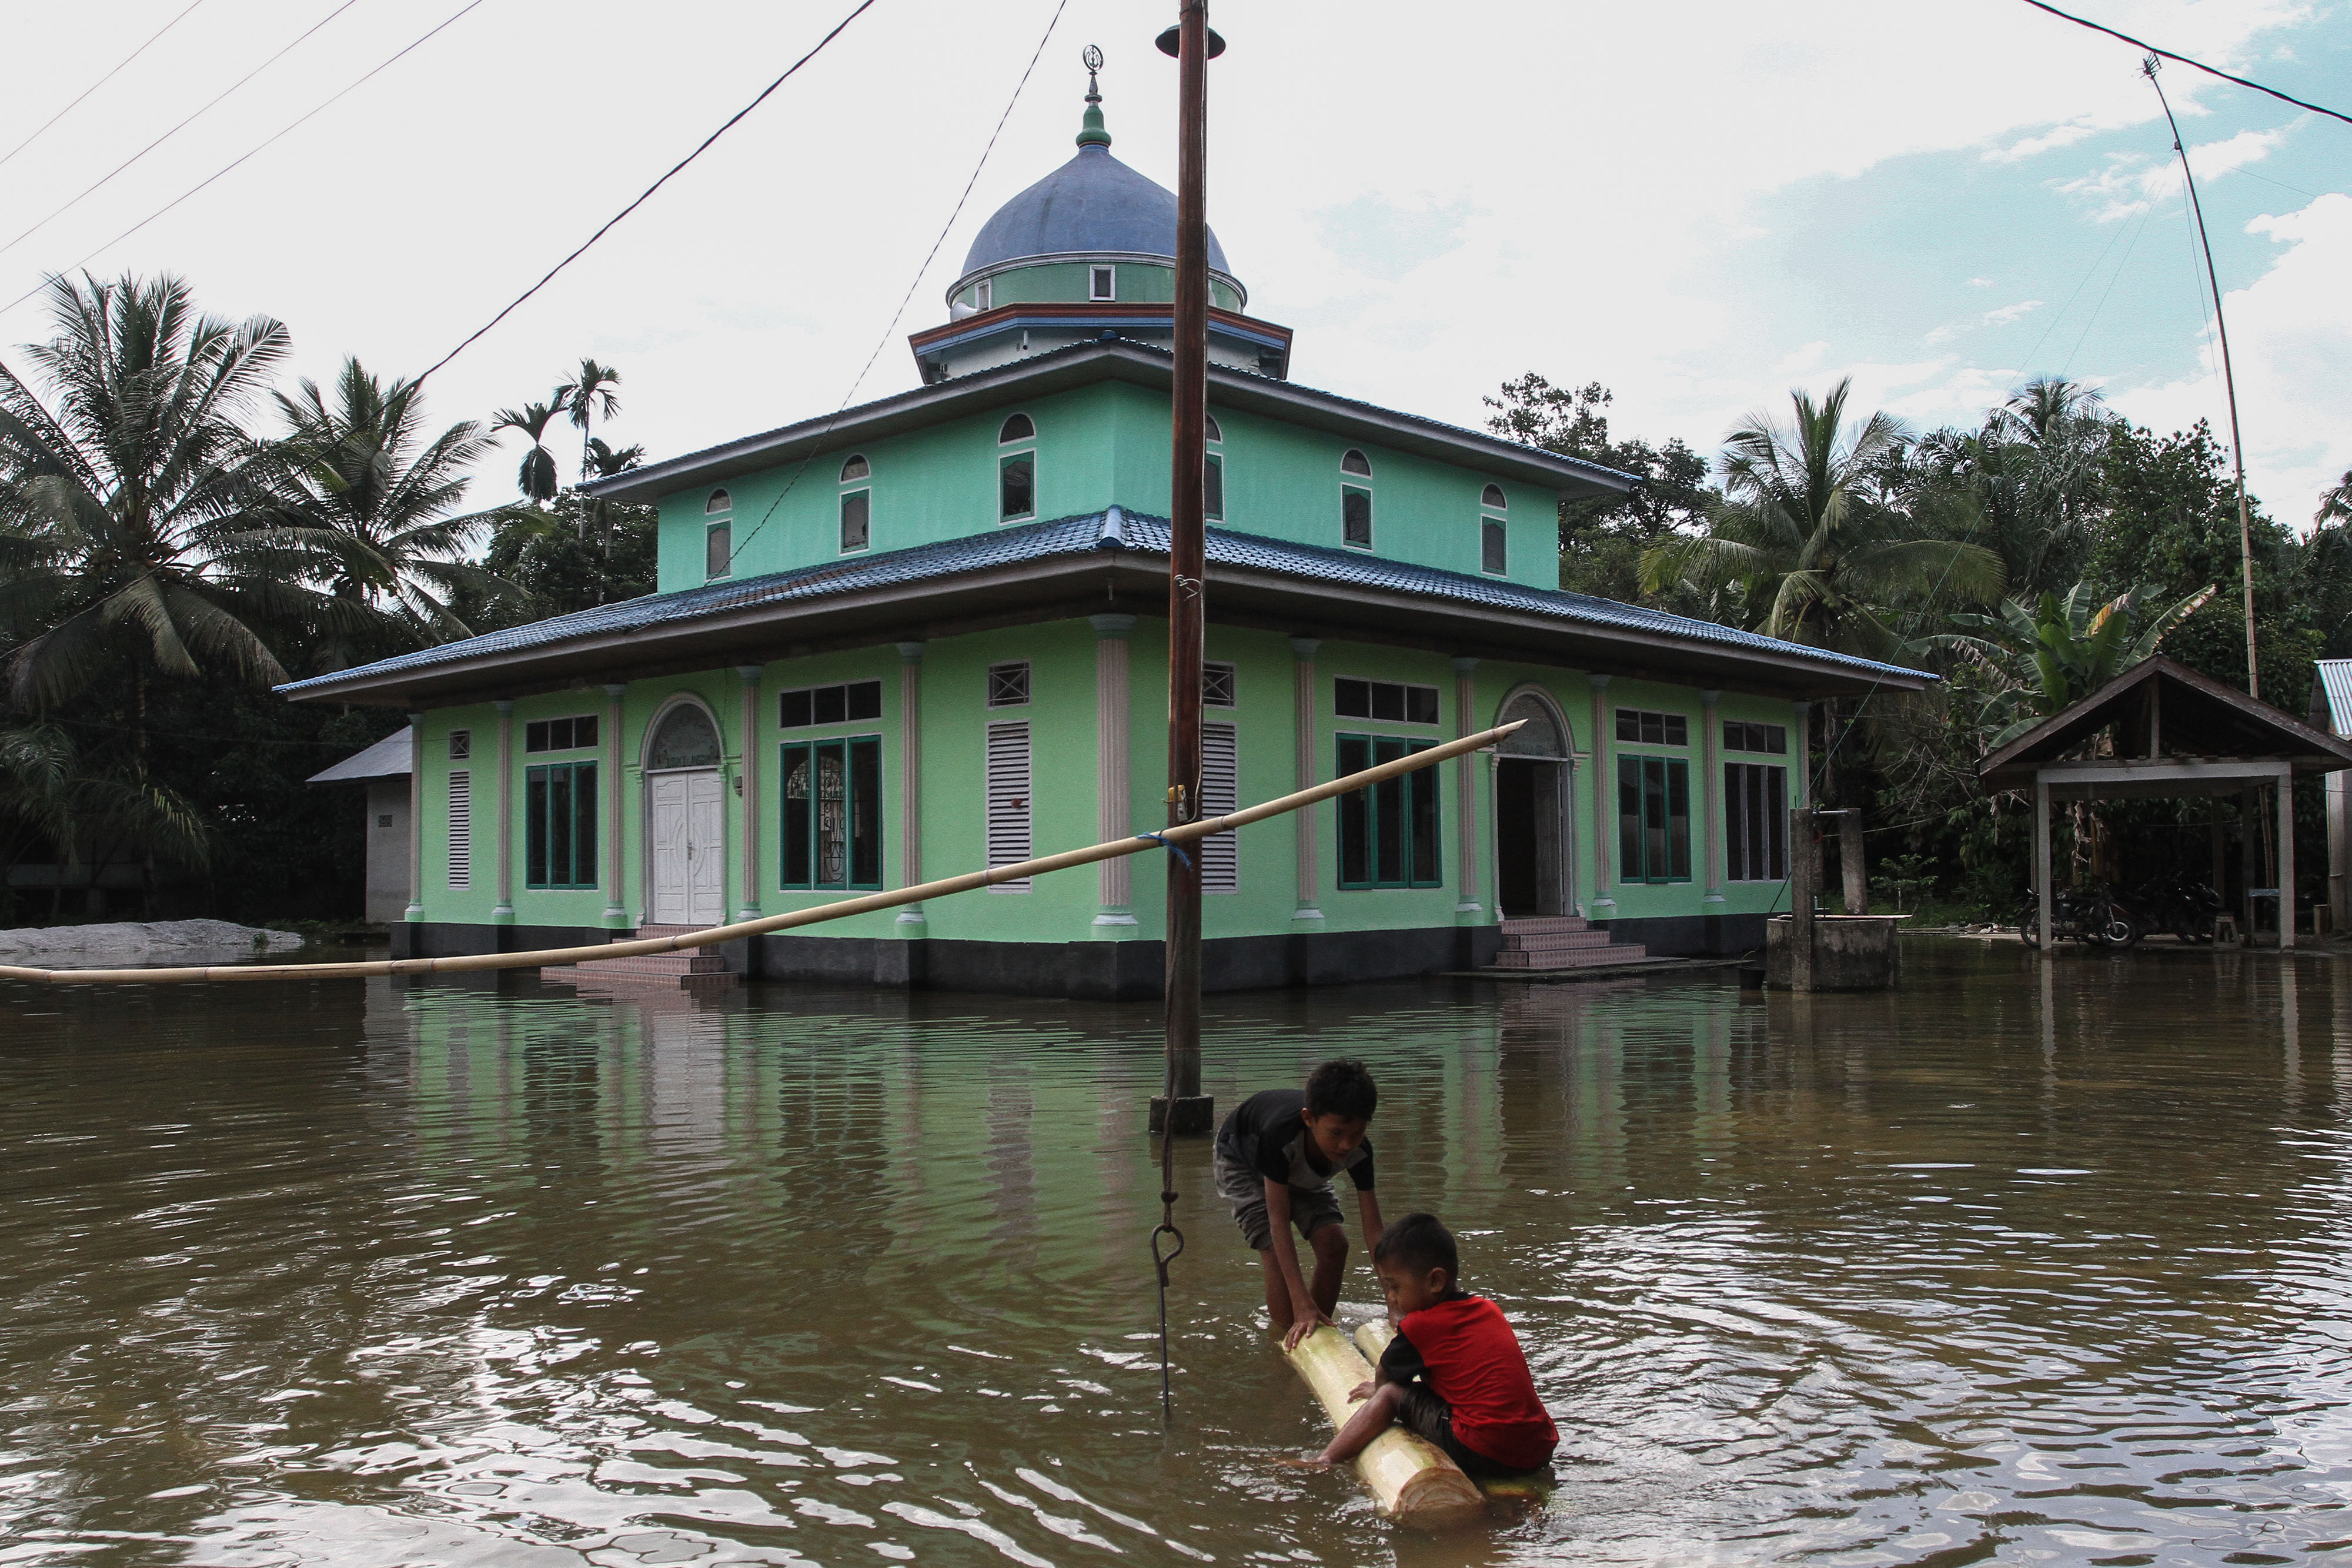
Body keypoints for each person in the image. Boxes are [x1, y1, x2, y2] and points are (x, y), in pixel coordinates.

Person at [1315, 1212, 1556, 1479]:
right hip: (1540, 1450)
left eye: (1395, 1287)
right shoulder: (1489, 1310)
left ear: (1435, 1281)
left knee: (1391, 1395)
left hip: (1484, 1451)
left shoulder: (1421, 1327)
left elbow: (1387, 1376)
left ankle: (1324, 1461)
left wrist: (1378, 1391)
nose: (1392, 1298)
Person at [1214, 1059, 1384, 1350]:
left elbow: (1374, 1230)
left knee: (1335, 1245)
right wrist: (1300, 1300)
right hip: (1243, 1160)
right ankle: (1286, 1338)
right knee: (1272, 1249)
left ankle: (1318, 1327)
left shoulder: (1359, 1151)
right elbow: (1278, 1219)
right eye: (1336, 1133)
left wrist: (1394, 1298)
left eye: (1356, 1134)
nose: (1346, 1145)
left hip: (1302, 1169)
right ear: (1309, 1119)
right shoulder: (1279, 1135)